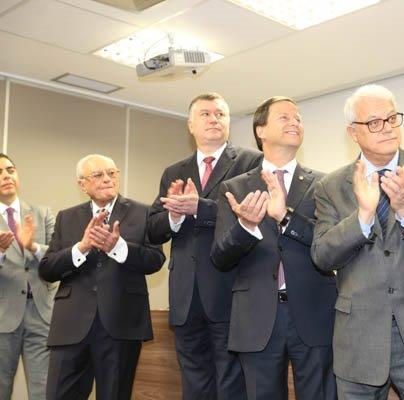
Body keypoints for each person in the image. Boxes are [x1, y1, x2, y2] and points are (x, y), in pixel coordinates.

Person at [311, 84, 404, 400]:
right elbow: (322, 256)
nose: (387, 128)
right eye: (374, 122)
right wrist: (363, 216)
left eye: (392, 118)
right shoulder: (330, 187)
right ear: (353, 132)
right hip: (359, 343)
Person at [211, 96, 337, 400]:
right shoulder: (234, 188)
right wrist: (246, 227)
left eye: (298, 118)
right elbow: (220, 257)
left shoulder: (326, 184)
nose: (295, 122)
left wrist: (285, 217)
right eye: (284, 117)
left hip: (314, 312)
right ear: (261, 130)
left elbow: (330, 243)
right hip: (257, 317)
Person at [148, 92, 262, 400]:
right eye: (206, 114)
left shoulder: (251, 161)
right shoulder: (174, 171)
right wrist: (173, 214)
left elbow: (249, 214)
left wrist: (199, 207)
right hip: (185, 294)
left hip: (230, 289)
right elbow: (152, 229)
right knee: (193, 381)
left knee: (230, 382)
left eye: (221, 114)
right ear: (190, 125)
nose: (214, 119)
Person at [39, 154, 165, 400]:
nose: (107, 179)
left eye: (112, 173)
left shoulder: (143, 212)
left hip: (122, 323)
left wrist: (118, 247)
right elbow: (47, 269)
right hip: (70, 326)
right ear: (82, 184)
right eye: (98, 175)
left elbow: (155, 260)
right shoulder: (67, 217)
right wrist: (82, 247)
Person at [0, 153, 55, 400]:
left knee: (43, 391)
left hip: (41, 314)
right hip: (2, 316)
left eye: (10, 170)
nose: (6, 176)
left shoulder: (43, 214)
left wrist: (33, 246)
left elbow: (57, 259)